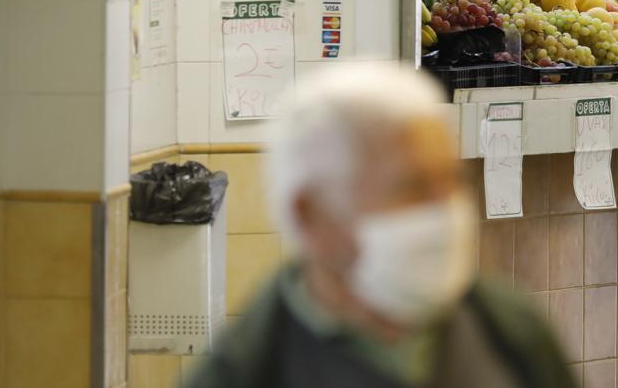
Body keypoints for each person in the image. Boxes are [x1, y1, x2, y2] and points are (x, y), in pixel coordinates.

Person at [183, 63, 576, 388]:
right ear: (311, 215)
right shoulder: (245, 369)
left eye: (454, 181)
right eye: (413, 188)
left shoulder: (509, 332)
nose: (447, 211)